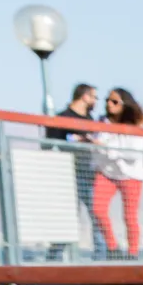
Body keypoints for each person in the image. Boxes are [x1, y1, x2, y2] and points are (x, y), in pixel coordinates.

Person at [89, 87, 143, 257]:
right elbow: (97, 147)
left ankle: (133, 252)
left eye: (114, 101)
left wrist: (110, 150)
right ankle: (113, 248)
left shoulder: (137, 126)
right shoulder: (102, 123)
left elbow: (134, 153)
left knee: (130, 216)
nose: (109, 104)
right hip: (106, 172)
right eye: (107, 101)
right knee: (98, 209)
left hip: (130, 174)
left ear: (125, 104)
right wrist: (107, 150)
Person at [44, 84, 102, 255]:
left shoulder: (91, 120)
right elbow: (49, 145)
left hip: (89, 173)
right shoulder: (62, 118)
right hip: (66, 175)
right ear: (85, 97)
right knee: (67, 219)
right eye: (94, 97)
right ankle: (54, 256)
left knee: (98, 214)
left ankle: (101, 256)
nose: (95, 102)